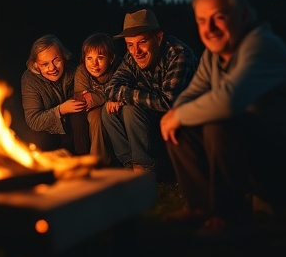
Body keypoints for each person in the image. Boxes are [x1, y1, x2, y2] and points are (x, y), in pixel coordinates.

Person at [160, 0, 286, 232]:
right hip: (260, 157)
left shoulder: (262, 45)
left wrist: (180, 114)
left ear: (242, 15)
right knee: (180, 127)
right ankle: (200, 207)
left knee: (216, 123)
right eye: (201, 20)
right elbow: (188, 96)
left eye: (219, 18)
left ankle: (231, 216)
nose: (209, 29)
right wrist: (176, 116)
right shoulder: (212, 57)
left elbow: (230, 101)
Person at [102, 9, 198, 174]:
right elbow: (110, 88)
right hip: (151, 125)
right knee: (108, 109)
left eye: (142, 42)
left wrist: (126, 95)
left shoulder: (178, 53)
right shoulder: (131, 57)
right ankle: (130, 165)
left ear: (158, 38)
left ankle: (145, 168)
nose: (136, 51)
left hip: (181, 130)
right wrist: (125, 95)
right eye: (130, 45)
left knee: (130, 109)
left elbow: (168, 101)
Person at [20, 34, 90, 153]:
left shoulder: (75, 69)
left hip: (78, 130)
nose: (52, 68)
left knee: (78, 115)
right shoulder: (29, 80)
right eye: (44, 64)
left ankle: (85, 161)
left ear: (64, 57)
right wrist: (61, 109)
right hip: (51, 135)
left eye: (56, 61)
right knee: (38, 139)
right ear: (36, 64)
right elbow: (34, 120)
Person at [73, 32, 120, 164]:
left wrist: (95, 96)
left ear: (111, 59)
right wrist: (107, 96)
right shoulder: (82, 71)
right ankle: (98, 162)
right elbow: (81, 98)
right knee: (96, 117)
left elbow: (119, 91)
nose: (94, 63)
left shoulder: (118, 69)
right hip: (93, 110)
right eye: (89, 58)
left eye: (100, 57)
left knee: (106, 113)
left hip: (115, 106)